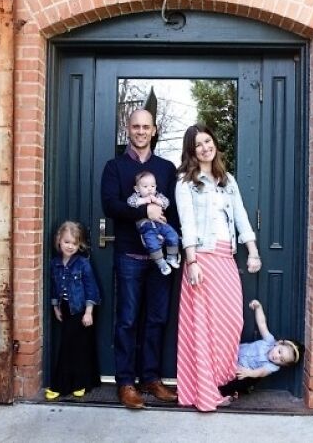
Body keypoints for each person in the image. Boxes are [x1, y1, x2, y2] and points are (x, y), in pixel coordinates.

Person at [175, 123, 262, 412]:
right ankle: (205, 391)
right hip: (201, 258)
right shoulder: (185, 183)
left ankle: (223, 382)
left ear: (214, 144)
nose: (205, 147)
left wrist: (253, 252)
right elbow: (186, 224)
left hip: (225, 259)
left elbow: (241, 217)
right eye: (198, 144)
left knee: (231, 323)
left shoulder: (227, 180)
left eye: (208, 141)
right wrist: (192, 262)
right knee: (204, 328)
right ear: (191, 151)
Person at [101, 109, 179, 409]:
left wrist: (176, 243)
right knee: (128, 320)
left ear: (154, 130)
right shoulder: (114, 167)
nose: (141, 131)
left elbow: (174, 209)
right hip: (129, 256)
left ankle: (150, 378)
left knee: (157, 319)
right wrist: (142, 211)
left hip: (161, 257)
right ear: (127, 129)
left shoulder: (166, 168)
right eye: (136, 126)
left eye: (146, 126)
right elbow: (110, 206)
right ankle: (125, 382)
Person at [45, 221, 101, 400]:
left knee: (75, 347)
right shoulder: (55, 263)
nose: (70, 246)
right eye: (67, 242)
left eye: (74, 243)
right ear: (59, 241)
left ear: (80, 245)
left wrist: (89, 312)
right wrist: (55, 306)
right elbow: (55, 287)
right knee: (73, 346)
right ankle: (79, 383)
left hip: (81, 311)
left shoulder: (83, 264)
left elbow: (92, 288)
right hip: (66, 310)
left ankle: (64, 386)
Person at [218, 300, 304, 398]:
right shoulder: (269, 341)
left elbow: (261, 372)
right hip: (235, 352)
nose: (277, 357)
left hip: (245, 369)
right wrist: (258, 308)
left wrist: (248, 372)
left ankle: (223, 392)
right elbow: (262, 324)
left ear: (282, 365)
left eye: (282, 360)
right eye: (280, 352)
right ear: (278, 343)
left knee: (243, 380)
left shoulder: (272, 367)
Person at [127, 170, 180, 276]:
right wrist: (144, 201)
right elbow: (130, 203)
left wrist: (156, 201)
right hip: (146, 226)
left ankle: (171, 257)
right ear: (137, 189)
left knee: (173, 235)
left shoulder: (158, 196)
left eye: (152, 186)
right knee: (152, 244)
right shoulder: (136, 197)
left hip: (160, 223)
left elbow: (166, 203)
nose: (150, 189)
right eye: (145, 186)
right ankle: (161, 264)